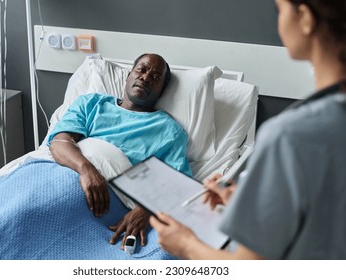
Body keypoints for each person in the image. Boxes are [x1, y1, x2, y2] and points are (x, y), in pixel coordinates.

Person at [150, 0, 346, 259]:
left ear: (306, 18)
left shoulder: (290, 136)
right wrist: (253, 202)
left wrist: (185, 245)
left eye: (280, 9)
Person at [48, 53, 191, 251]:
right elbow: (59, 142)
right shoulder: (92, 104)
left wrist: (147, 210)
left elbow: (179, 185)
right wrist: (87, 170)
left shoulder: (169, 131)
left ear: (161, 91)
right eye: (141, 69)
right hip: (63, 174)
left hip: (110, 202)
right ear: (128, 75)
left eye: (156, 77)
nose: (146, 77)